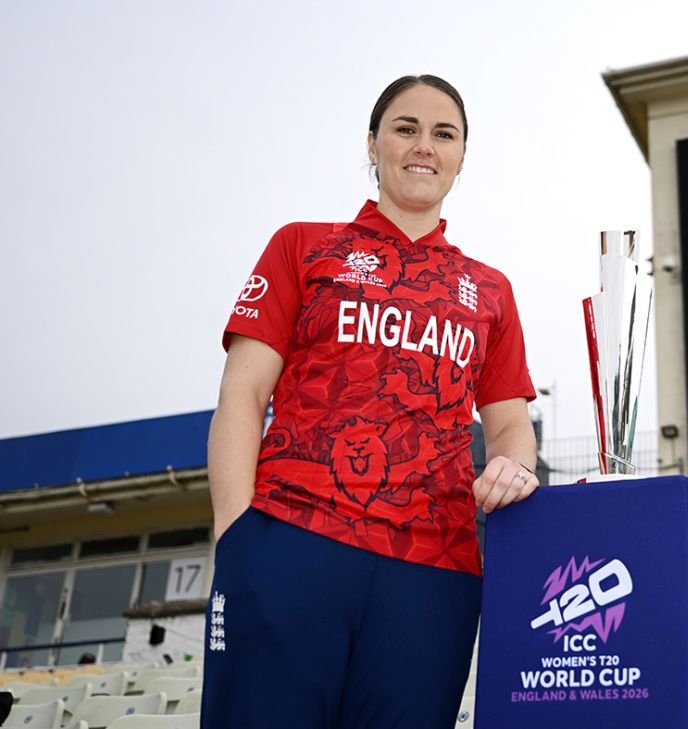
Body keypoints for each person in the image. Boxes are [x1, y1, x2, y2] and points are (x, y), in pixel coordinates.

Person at [202, 74, 539, 728]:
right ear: (373, 143)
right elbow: (242, 394)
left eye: (444, 133)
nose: (424, 145)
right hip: (291, 537)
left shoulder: (490, 289)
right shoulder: (303, 245)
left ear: (462, 155)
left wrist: (514, 467)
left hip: (434, 571)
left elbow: (509, 429)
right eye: (406, 128)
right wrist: (235, 535)